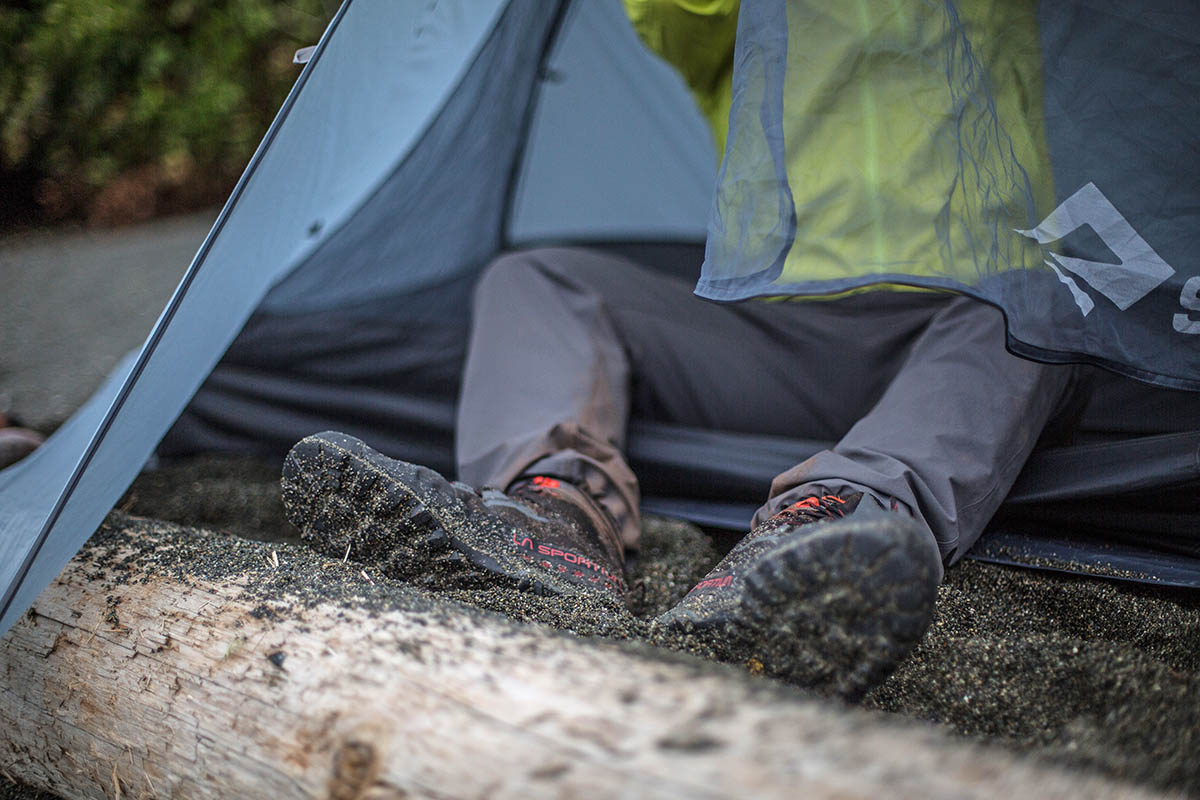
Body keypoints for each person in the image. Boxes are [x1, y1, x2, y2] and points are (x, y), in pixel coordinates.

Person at [278, 0, 1079, 698]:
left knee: (1055, 292)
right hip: (784, 329)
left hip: (983, 321)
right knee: (537, 278)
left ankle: (835, 526)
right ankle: (552, 519)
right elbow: (672, 16)